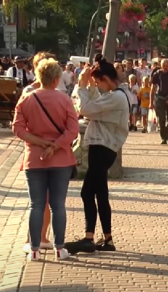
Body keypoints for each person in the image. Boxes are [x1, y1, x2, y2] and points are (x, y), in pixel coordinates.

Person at [12, 58, 79, 261]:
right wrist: (55, 146)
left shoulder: (27, 99)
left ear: (38, 76)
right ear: (57, 78)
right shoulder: (65, 99)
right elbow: (73, 130)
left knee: (36, 205)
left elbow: (18, 128)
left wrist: (40, 143)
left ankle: (34, 249)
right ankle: (59, 248)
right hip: (60, 158)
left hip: (34, 157)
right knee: (58, 205)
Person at [65, 54, 130, 255]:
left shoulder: (117, 97)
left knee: (87, 192)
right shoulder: (116, 95)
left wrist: (82, 86)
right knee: (100, 193)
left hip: (102, 147)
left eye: (97, 82)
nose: (97, 86)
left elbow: (86, 109)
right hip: (104, 147)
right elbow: (97, 103)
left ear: (105, 79)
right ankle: (107, 238)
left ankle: (88, 238)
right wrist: (89, 87)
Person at [20, 52, 57, 254]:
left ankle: (41, 237)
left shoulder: (54, 91)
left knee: (47, 199)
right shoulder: (29, 91)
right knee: (39, 200)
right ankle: (34, 238)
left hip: (47, 150)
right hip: (37, 150)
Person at [150, 58, 168, 144]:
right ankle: (164, 137)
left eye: (167, 66)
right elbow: (153, 89)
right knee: (161, 120)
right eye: (163, 66)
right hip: (160, 98)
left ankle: (167, 133)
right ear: (160, 65)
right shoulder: (157, 74)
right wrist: (151, 103)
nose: (165, 67)